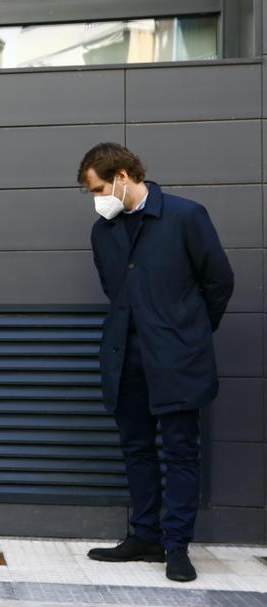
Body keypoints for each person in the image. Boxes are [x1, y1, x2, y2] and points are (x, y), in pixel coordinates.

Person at [78, 143, 234, 583]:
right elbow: (116, 290)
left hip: (177, 358)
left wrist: (191, 332)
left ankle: (176, 545)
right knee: (136, 449)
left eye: (99, 188)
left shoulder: (185, 216)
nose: (97, 198)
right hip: (126, 357)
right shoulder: (103, 231)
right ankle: (143, 535)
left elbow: (219, 280)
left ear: (123, 177)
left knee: (181, 451)